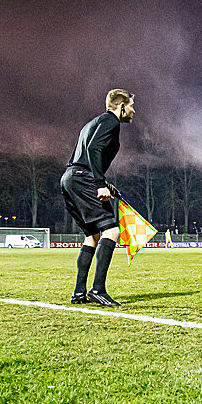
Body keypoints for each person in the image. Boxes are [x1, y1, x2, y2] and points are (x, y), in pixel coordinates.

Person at [60, 89, 135, 306]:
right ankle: (98, 289)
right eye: (130, 105)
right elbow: (93, 149)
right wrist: (99, 184)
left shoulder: (93, 123)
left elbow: (86, 154)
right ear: (121, 107)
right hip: (82, 179)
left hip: (70, 178)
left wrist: (104, 183)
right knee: (111, 231)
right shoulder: (111, 121)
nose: (133, 110)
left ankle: (79, 292)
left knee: (91, 236)